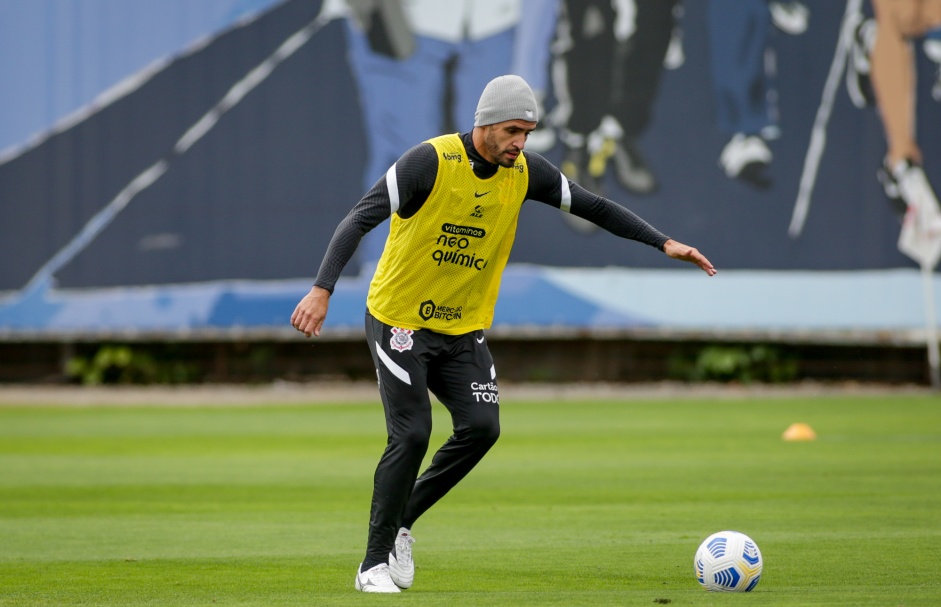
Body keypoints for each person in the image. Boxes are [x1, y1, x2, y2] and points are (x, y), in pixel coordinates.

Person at [290, 75, 716, 593]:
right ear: (485, 123)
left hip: (462, 327)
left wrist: (664, 243)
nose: (521, 142)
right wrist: (321, 289)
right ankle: (371, 565)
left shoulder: (526, 173)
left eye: (528, 133)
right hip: (399, 319)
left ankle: (402, 521)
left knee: (482, 428)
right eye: (513, 130)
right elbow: (359, 218)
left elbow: (596, 207)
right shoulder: (430, 161)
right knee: (413, 433)